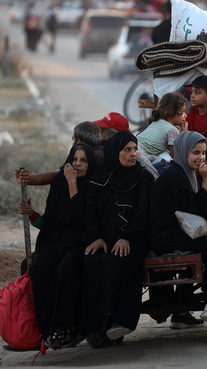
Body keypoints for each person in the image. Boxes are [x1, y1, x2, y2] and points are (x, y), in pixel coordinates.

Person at [149, 131, 207, 328]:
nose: (200, 158)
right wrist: (206, 182)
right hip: (167, 237)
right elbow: (195, 208)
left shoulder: (189, 174)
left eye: (202, 153)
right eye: (195, 153)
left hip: (181, 232)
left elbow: (203, 208)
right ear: (183, 152)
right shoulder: (176, 175)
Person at [17, 143, 98, 350]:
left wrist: (73, 183)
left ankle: (69, 325)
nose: (78, 164)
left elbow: (81, 219)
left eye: (83, 160)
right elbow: (49, 222)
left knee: (66, 268)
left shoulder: (93, 185)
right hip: (57, 242)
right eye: (75, 159)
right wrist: (31, 214)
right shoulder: (60, 184)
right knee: (35, 267)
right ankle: (46, 327)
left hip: (82, 242)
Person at [82, 131, 154, 341]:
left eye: (135, 149)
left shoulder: (143, 177)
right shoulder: (99, 179)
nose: (133, 154)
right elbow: (90, 212)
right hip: (104, 238)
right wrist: (95, 237)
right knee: (93, 260)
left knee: (123, 260)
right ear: (116, 152)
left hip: (134, 238)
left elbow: (143, 213)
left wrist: (127, 237)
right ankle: (96, 324)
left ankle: (122, 321)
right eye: (127, 150)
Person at [137, 92, 188, 174]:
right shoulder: (173, 130)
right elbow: (175, 157)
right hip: (140, 154)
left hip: (135, 147)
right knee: (155, 178)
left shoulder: (157, 121)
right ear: (171, 113)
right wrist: (184, 134)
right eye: (183, 112)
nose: (185, 115)